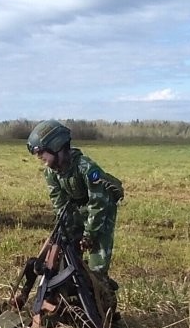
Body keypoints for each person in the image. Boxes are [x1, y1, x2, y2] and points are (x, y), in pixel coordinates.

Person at [26, 120, 123, 285]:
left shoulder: (87, 168)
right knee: (66, 257)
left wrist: (89, 235)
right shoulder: (51, 173)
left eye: (42, 152)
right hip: (76, 212)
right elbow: (59, 203)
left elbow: (98, 205)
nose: (39, 157)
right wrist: (63, 230)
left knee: (96, 271)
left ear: (57, 146)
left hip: (100, 215)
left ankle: (103, 295)